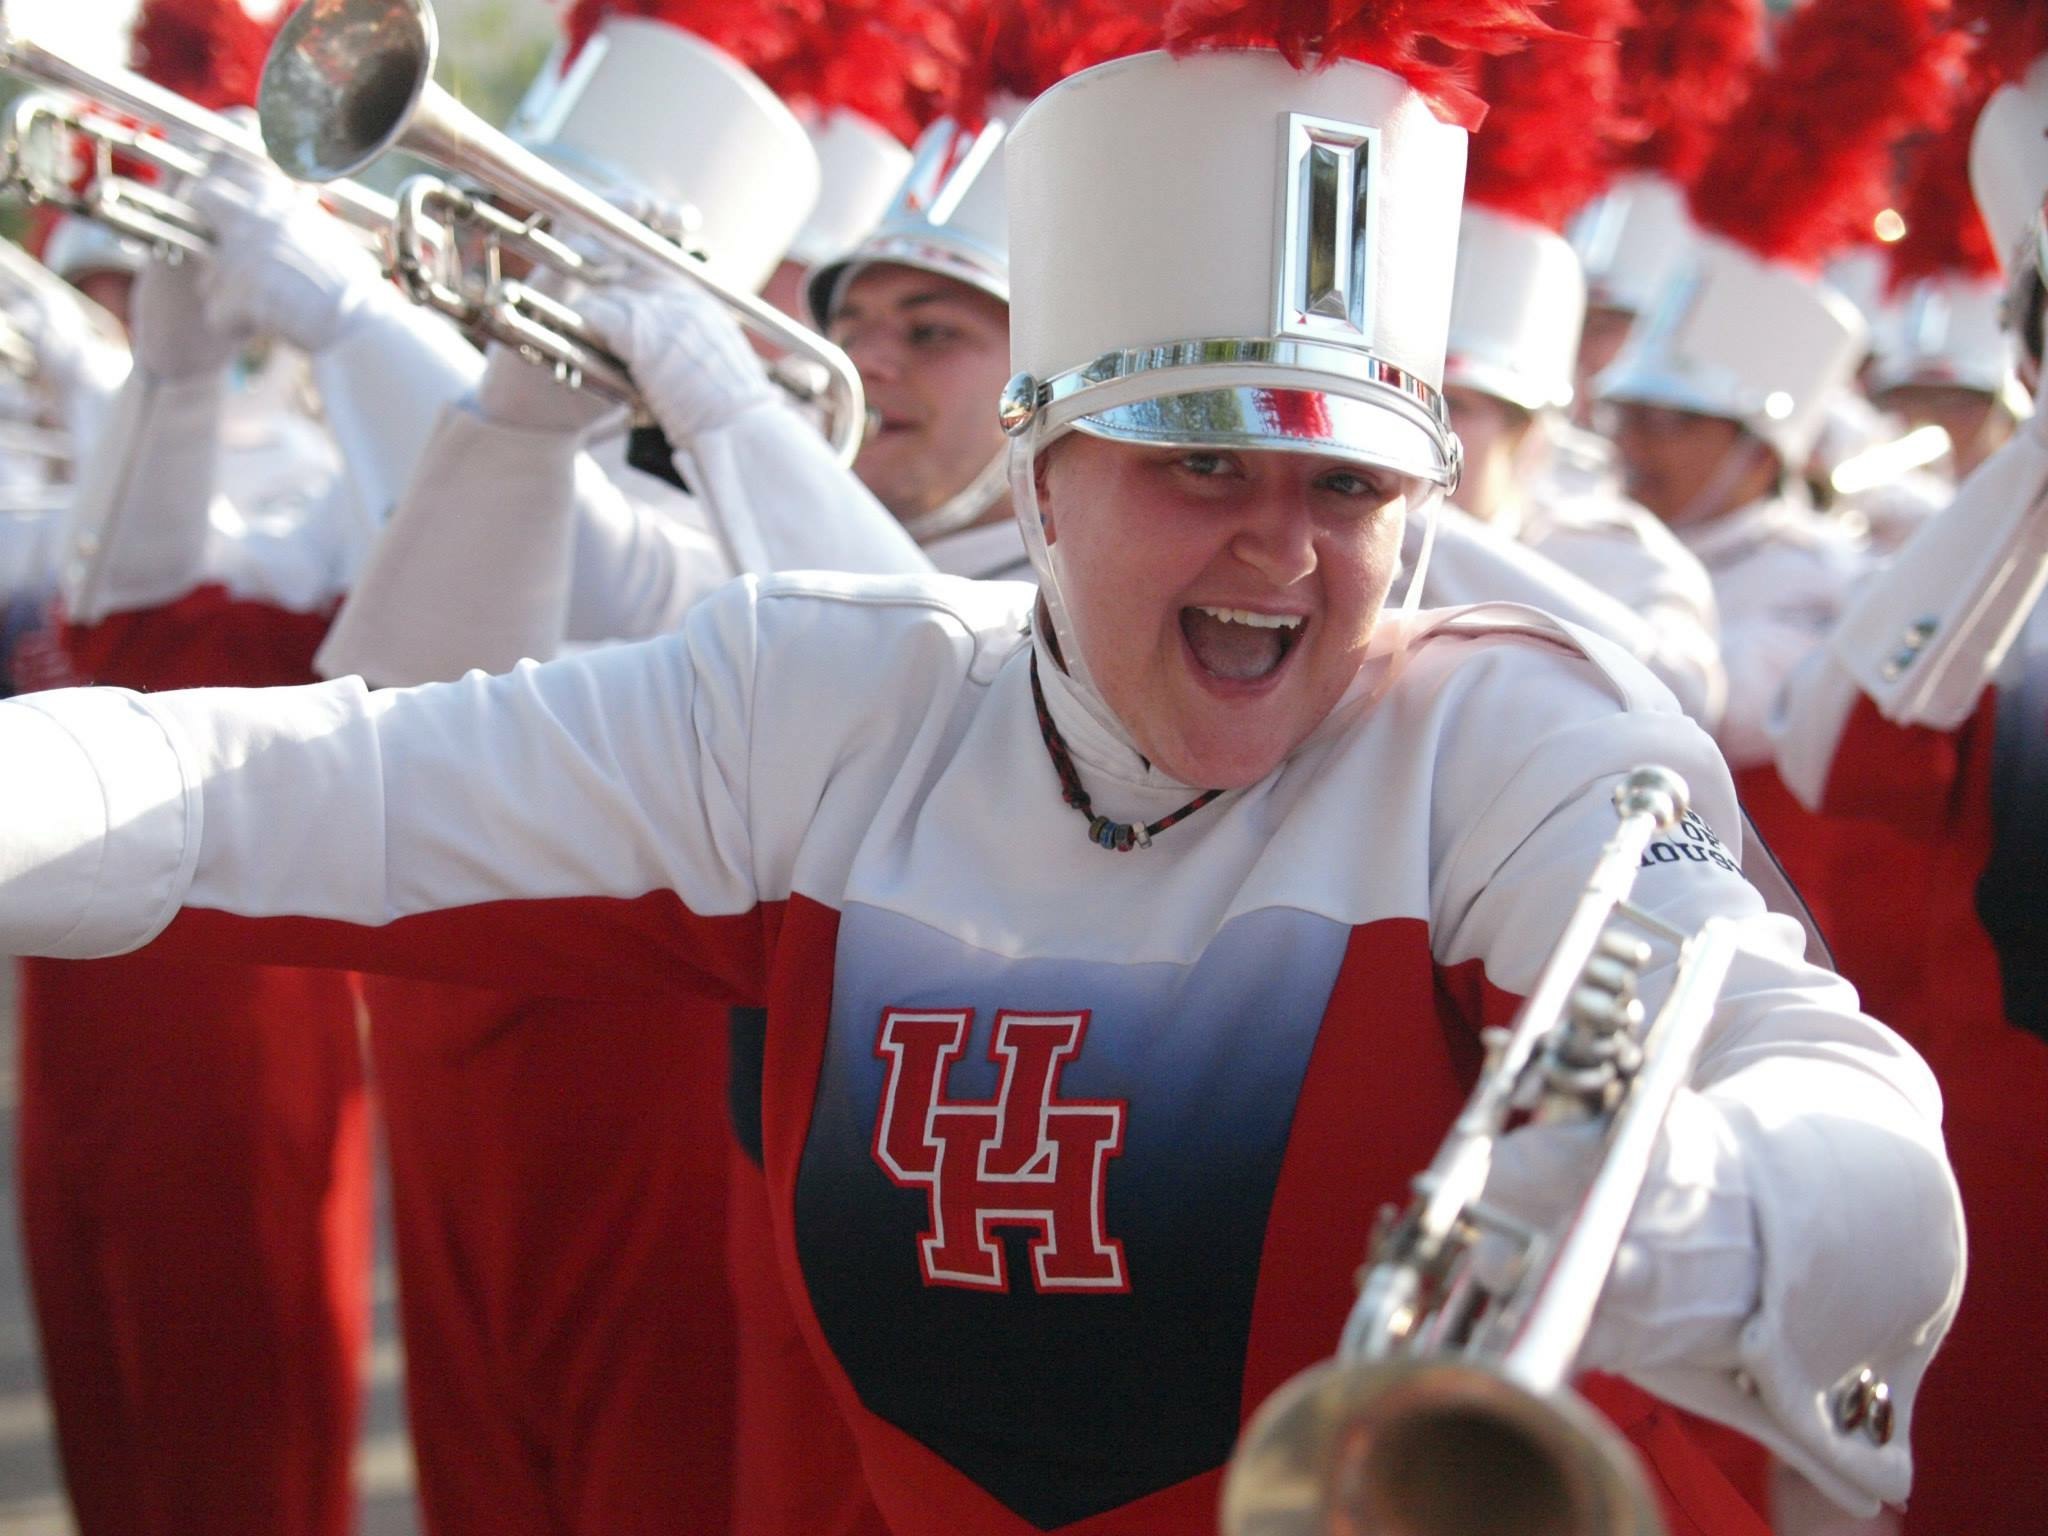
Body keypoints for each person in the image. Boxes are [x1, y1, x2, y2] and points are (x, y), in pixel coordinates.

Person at [0, 12, 1962, 1536]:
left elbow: (1847, 1108)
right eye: (1200, 462)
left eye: (1345, 486)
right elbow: (259, 788)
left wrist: (1660, 1202)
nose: (1279, 547)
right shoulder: (830, 706)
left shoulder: (1507, 733)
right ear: (1044, 483)